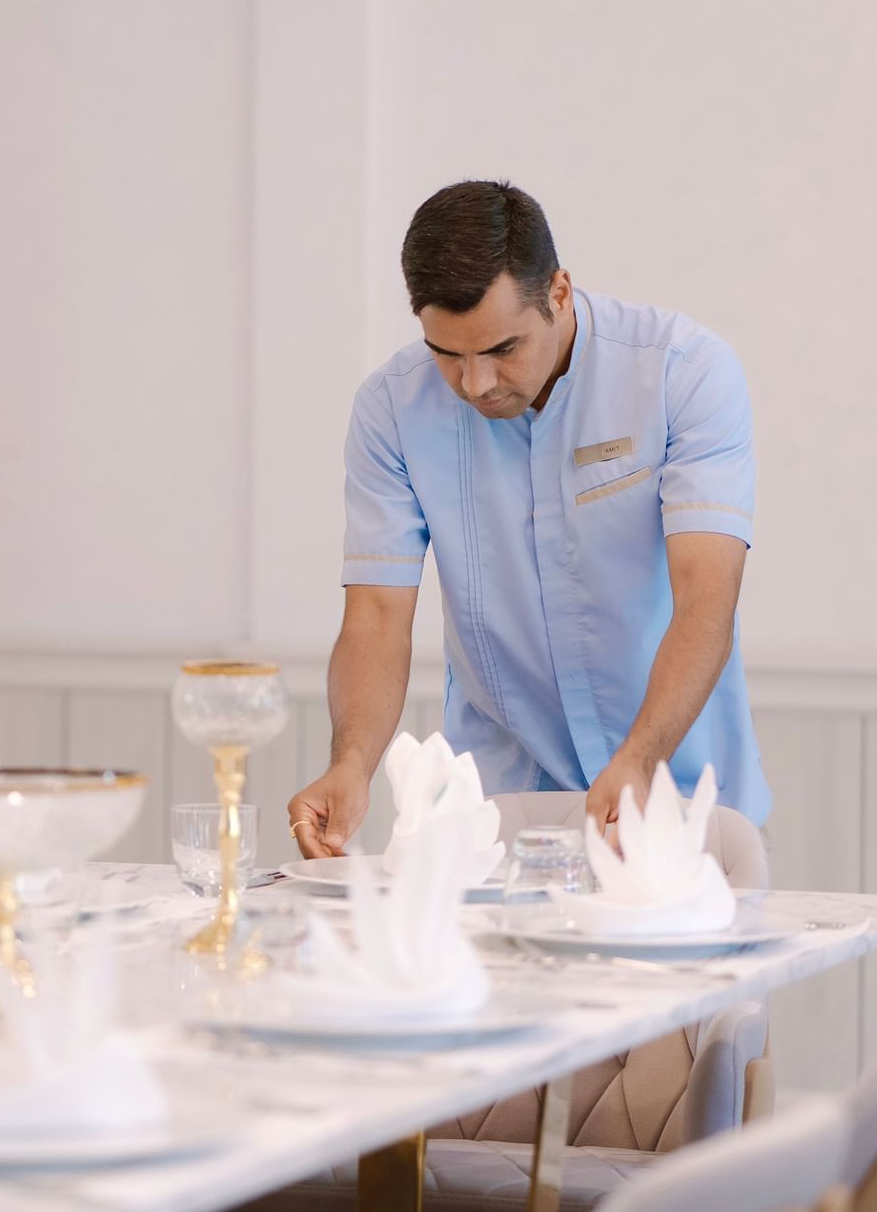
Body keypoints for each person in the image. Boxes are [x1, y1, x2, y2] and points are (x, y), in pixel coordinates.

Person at [288, 180, 768, 859]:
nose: (476, 384)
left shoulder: (683, 375)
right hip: (497, 815)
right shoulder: (390, 410)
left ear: (561, 293)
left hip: (682, 798)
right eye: (447, 354)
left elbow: (706, 602)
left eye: (502, 349)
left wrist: (639, 756)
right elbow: (375, 618)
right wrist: (352, 762)